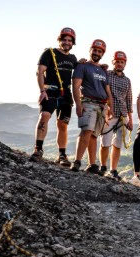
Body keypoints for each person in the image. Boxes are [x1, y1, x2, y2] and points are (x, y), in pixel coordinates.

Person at [31, 27, 78, 165]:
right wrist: (42, 91)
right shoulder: (49, 53)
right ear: (59, 40)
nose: (67, 42)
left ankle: (62, 155)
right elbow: (40, 71)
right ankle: (38, 149)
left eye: (69, 40)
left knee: (63, 124)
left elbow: (80, 71)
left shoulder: (72, 58)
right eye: (64, 39)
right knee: (44, 116)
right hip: (50, 91)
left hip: (66, 94)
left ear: (73, 43)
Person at [70, 39, 112, 173]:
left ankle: (92, 164)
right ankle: (77, 161)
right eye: (95, 50)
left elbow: (107, 90)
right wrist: (78, 104)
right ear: (90, 50)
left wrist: (110, 107)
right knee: (86, 131)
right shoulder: (82, 66)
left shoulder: (104, 71)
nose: (97, 53)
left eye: (99, 51)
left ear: (102, 54)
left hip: (102, 106)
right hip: (88, 102)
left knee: (94, 135)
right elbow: (75, 86)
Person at [100, 50, 133, 180]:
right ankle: (103, 167)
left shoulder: (127, 80)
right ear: (113, 62)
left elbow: (129, 100)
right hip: (109, 114)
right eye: (117, 61)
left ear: (125, 64)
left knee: (117, 144)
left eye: (122, 62)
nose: (119, 64)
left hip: (122, 114)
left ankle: (113, 170)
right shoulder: (106, 74)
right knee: (105, 142)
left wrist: (130, 119)